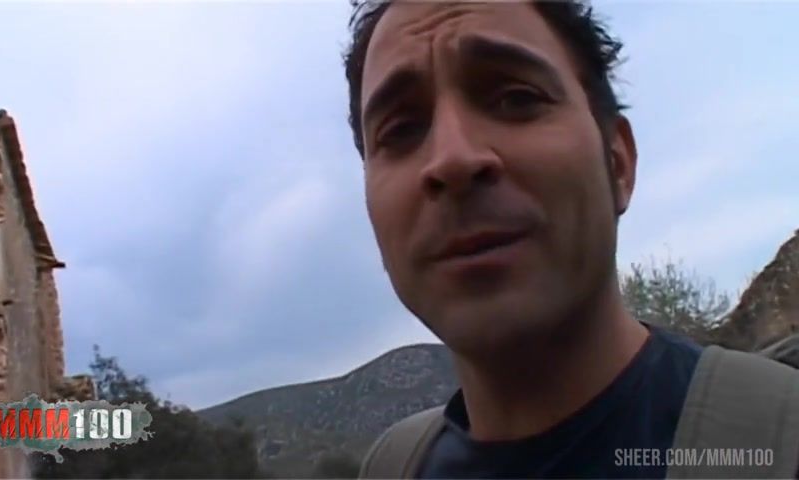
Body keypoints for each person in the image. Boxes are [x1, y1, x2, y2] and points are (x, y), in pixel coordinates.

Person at [341, 1, 799, 478]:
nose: (453, 159)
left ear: (617, 162)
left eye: (516, 98)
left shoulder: (776, 445)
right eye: (401, 129)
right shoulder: (393, 469)